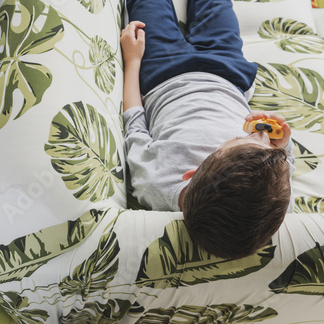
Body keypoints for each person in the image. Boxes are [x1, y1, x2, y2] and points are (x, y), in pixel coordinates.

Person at [121, 0, 295, 259]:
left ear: (190, 174)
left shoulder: (157, 180)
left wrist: (132, 60)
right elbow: (284, 162)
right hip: (228, 72)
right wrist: (282, 143)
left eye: (240, 137)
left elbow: (134, 121)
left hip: (162, 73)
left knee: (149, 5)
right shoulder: (274, 200)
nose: (261, 134)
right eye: (265, 141)